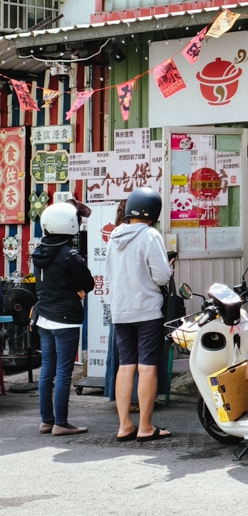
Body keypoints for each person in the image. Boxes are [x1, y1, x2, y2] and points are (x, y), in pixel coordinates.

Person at [107, 187, 172, 442]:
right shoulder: (150, 235)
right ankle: (145, 426)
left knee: (125, 367)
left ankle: (124, 425)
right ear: (153, 212)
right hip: (146, 310)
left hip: (120, 310)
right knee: (147, 368)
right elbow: (162, 276)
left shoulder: (114, 236)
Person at [32, 202, 96, 436]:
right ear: (71, 225)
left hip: (43, 317)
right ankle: (61, 423)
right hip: (65, 319)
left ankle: (46, 421)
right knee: (64, 371)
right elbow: (88, 283)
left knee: (47, 368)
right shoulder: (70, 255)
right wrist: (76, 291)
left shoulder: (38, 252)